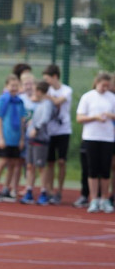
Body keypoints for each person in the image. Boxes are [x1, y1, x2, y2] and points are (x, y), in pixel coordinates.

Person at [76, 72, 115, 213]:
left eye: (107, 85)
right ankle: (93, 199)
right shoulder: (88, 97)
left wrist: (111, 115)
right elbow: (79, 118)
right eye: (103, 85)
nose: (105, 88)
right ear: (97, 82)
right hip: (91, 137)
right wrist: (94, 118)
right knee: (92, 169)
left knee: (105, 170)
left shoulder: (112, 98)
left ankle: (105, 199)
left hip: (107, 138)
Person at [0, 75, 26, 203]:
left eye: (16, 86)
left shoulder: (20, 102)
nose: (14, 88)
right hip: (5, 138)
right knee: (2, 162)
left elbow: (22, 121)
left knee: (13, 164)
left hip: (16, 138)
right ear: (6, 87)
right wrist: (1, 138)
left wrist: (22, 139)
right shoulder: (3, 100)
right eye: (11, 86)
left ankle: (6, 189)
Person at [41, 64, 73, 205]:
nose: (46, 83)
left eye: (47, 79)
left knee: (61, 161)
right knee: (50, 162)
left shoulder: (66, 90)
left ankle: (59, 190)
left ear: (55, 77)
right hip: (49, 131)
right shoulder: (47, 91)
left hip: (63, 130)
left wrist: (44, 95)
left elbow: (58, 101)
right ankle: (48, 190)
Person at [21, 80, 54, 205]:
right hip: (30, 138)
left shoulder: (47, 104)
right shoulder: (32, 103)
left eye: (35, 90)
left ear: (40, 91)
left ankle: (44, 192)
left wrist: (36, 128)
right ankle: (29, 191)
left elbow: (45, 119)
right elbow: (28, 116)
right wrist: (28, 124)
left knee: (41, 166)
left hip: (41, 139)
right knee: (29, 165)